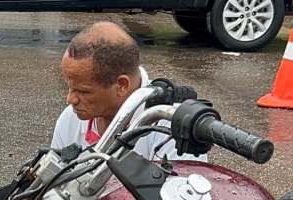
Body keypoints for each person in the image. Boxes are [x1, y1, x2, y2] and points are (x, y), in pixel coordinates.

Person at [53, 22, 204, 161]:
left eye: (83, 92)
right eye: (70, 86)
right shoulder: (69, 120)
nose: (70, 99)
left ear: (122, 85)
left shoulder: (174, 128)